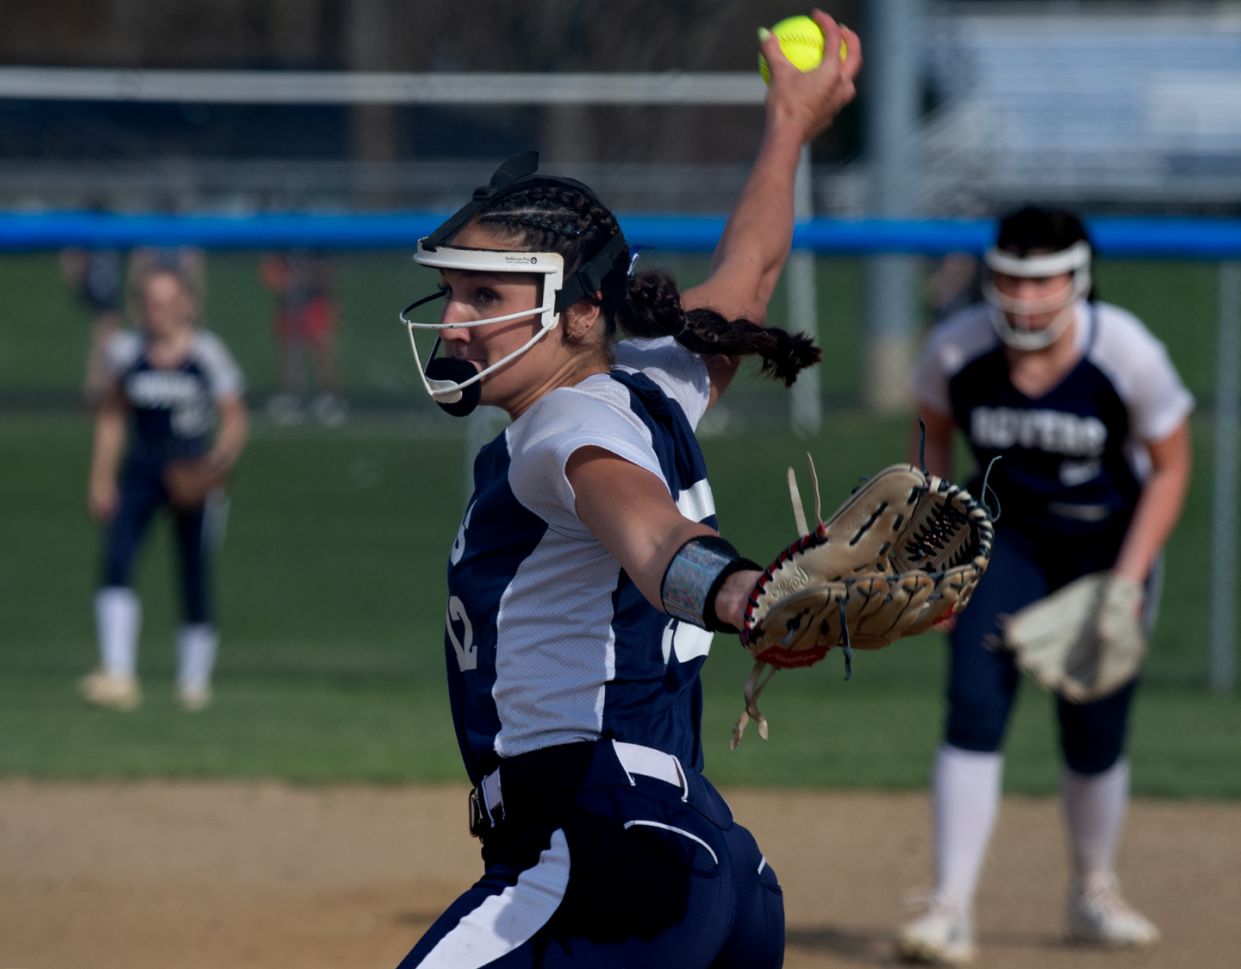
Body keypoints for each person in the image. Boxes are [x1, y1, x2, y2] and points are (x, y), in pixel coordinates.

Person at [394, 13, 860, 968]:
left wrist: (740, 592)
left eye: (487, 295)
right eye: (452, 292)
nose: (453, 321)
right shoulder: (654, 379)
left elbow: (647, 536)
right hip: (709, 859)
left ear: (578, 313)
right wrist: (787, 125)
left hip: (596, 848)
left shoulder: (563, 427)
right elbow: (752, 275)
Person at [896, 207, 1193, 963]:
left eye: (1043, 280)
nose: (1024, 298)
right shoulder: (956, 348)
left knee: (1091, 725)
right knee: (972, 703)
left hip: (1102, 544)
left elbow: (1170, 466)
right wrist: (929, 559)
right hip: (1006, 542)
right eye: (1009, 279)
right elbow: (929, 439)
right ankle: (948, 905)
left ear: (1079, 280)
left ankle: (1093, 888)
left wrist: (1126, 584)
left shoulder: (1123, 349)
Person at [80, 267, 249, 712]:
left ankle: (193, 682)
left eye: (167, 300)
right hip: (141, 467)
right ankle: (118, 674)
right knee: (117, 560)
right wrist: (100, 479)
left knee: (193, 572)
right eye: (151, 300)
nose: (158, 310)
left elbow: (234, 417)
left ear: (185, 304)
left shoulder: (206, 353)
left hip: (190, 467)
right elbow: (112, 417)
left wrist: (218, 461)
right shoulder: (126, 351)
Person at [260, 250, 347, 426]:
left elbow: (330, 272)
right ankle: (290, 395)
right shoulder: (283, 243)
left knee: (321, 351)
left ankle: (328, 397)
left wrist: (304, 277)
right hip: (287, 302)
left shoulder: (318, 245)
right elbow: (271, 270)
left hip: (315, 299)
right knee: (288, 350)